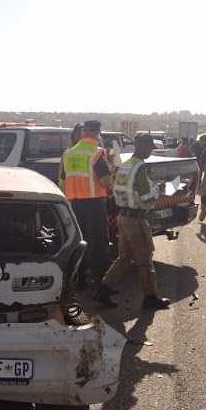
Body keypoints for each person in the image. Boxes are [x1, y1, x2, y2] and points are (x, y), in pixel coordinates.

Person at [93, 133, 170, 310]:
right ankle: (151, 298)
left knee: (125, 257)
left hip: (123, 217)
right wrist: (159, 190)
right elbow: (146, 195)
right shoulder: (141, 167)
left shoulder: (126, 165)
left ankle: (102, 290)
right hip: (136, 219)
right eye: (150, 146)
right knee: (145, 258)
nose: (151, 150)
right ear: (142, 146)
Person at [62, 120, 113, 291]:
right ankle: (102, 283)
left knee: (80, 242)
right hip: (94, 204)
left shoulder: (70, 153)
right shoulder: (96, 152)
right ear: (98, 132)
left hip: (75, 204)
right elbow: (105, 180)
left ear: (83, 132)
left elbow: (64, 176)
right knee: (99, 243)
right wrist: (110, 180)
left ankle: (80, 278)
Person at [58, 123, 83, 194]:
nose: (78, 136)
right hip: (72, 192)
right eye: (78, 134)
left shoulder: (69, 151)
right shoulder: (70, 152)